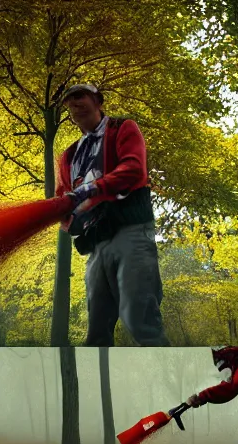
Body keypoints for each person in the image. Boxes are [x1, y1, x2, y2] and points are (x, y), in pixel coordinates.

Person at [55, 84, 170, 347]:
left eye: (80, 96)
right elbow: (62, 198)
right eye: (69, 100)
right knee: (96, 329)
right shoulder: (69, 156)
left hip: (130, 229)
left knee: (140, 317)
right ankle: (97, 386)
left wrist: (90, 190)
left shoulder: (122, 128)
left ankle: (168, 385)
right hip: (96, 243)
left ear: (98, 100)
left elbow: (133, 168)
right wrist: (65, 217)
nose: (74, 103)